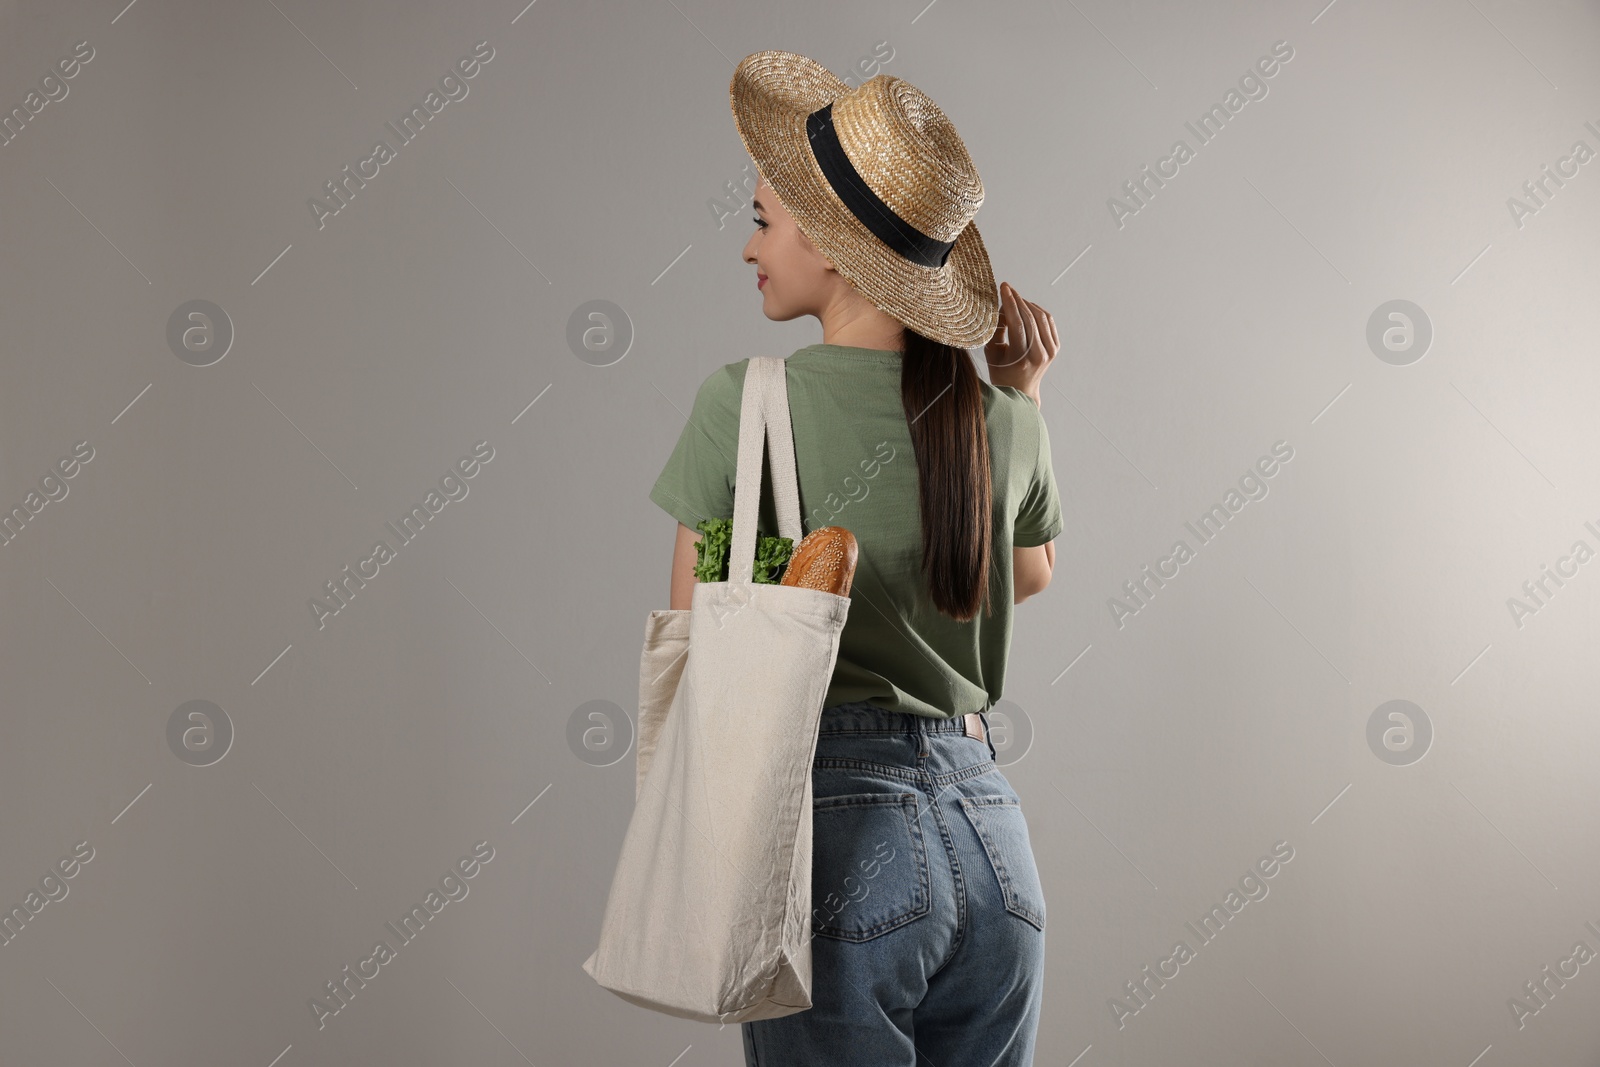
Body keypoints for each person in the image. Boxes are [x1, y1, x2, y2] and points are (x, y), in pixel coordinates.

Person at [647, 50, 1064, 1066]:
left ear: (831, 248)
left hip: (832, 833)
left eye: (760, 221)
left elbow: (699, 623)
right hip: (992, 842)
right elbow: (1021, 573)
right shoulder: (1002, 419)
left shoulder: (745, 409)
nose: (748, 249)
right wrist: (1022, 394)